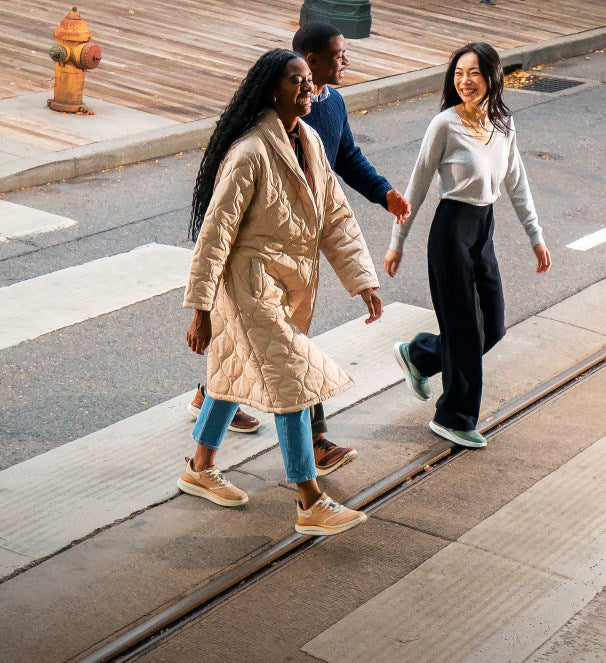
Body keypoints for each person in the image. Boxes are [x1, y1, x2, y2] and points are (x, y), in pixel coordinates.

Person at [179, 48, 383, 535]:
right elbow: (215, 234)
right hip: (247, 285)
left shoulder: (309, 139)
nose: (308, 89)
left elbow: (335, 215)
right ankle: (310, 499)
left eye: (309, 81)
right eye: (297, 81)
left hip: (284, 286)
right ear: (273, 89)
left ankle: (199, 467)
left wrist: (363, 281)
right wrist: (201, 309)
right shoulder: (249, 152)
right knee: (293, 377)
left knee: (236, 370)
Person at [385, 42, 551, 449]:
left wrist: (536, 236)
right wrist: (397, 243)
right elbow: (417, 185)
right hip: (451, 231)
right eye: (459, 73)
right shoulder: (444, 124)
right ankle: (454, 417)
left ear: (492, 76)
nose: (465, 81)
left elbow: (517, 181)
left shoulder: (503, 122)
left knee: (491, 327)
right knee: (463, 331)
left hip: (484, 229)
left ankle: (421, 355)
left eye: (473, 73)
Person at [290, 20, 411, 470]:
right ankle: (316, 443)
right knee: (293, 345)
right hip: (273, 242)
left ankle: (213, 393)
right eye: (340, 54)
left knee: (264, 342)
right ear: (313, 60)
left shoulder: (333, 102)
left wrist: (384, 194)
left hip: (307, 240)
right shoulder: (281, 107)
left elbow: (346, 159)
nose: (347, 60)